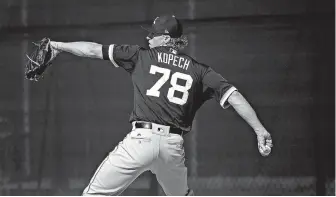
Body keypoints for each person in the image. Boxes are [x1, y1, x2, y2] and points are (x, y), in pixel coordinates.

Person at [49, 15, 273, 196]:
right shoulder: (199, 70)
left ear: (166, 38)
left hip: (141, 141)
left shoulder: (140, 56)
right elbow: (233, 95)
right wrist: (259, 129)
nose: (148, 38)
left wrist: (57, 46)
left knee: (94, 195)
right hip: (172, 147)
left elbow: (92, 50)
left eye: (153, 35)